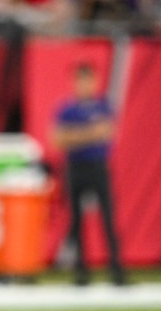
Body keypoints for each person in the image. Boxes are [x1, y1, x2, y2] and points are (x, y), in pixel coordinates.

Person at [52, 61, 127, 286]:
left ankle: (116, 270)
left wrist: (75, 136)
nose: (84, 85)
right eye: (80, 80)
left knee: (108, 218)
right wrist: (89, 134)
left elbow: (107, 133)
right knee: (75, 221)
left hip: (97, 166)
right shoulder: (66, 109)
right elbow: (58, 140)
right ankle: (81, 271)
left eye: (88, 80)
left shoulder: (103, 107)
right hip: (75, 168)